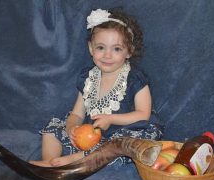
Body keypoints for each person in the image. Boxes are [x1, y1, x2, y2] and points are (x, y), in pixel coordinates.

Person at [29, 8, 164, 167]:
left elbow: (143, 115)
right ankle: (49, 162)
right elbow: (77, 113)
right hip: (90, 134)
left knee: (120, 144)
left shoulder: (134, 79)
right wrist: (73, 127)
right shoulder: (88, 78)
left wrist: (111, 118)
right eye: (101, 47)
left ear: (129, 52)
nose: (107, 55)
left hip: (122, 131)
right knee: (53, 129)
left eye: (116, 49)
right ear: (91, 48)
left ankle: (75, 160)